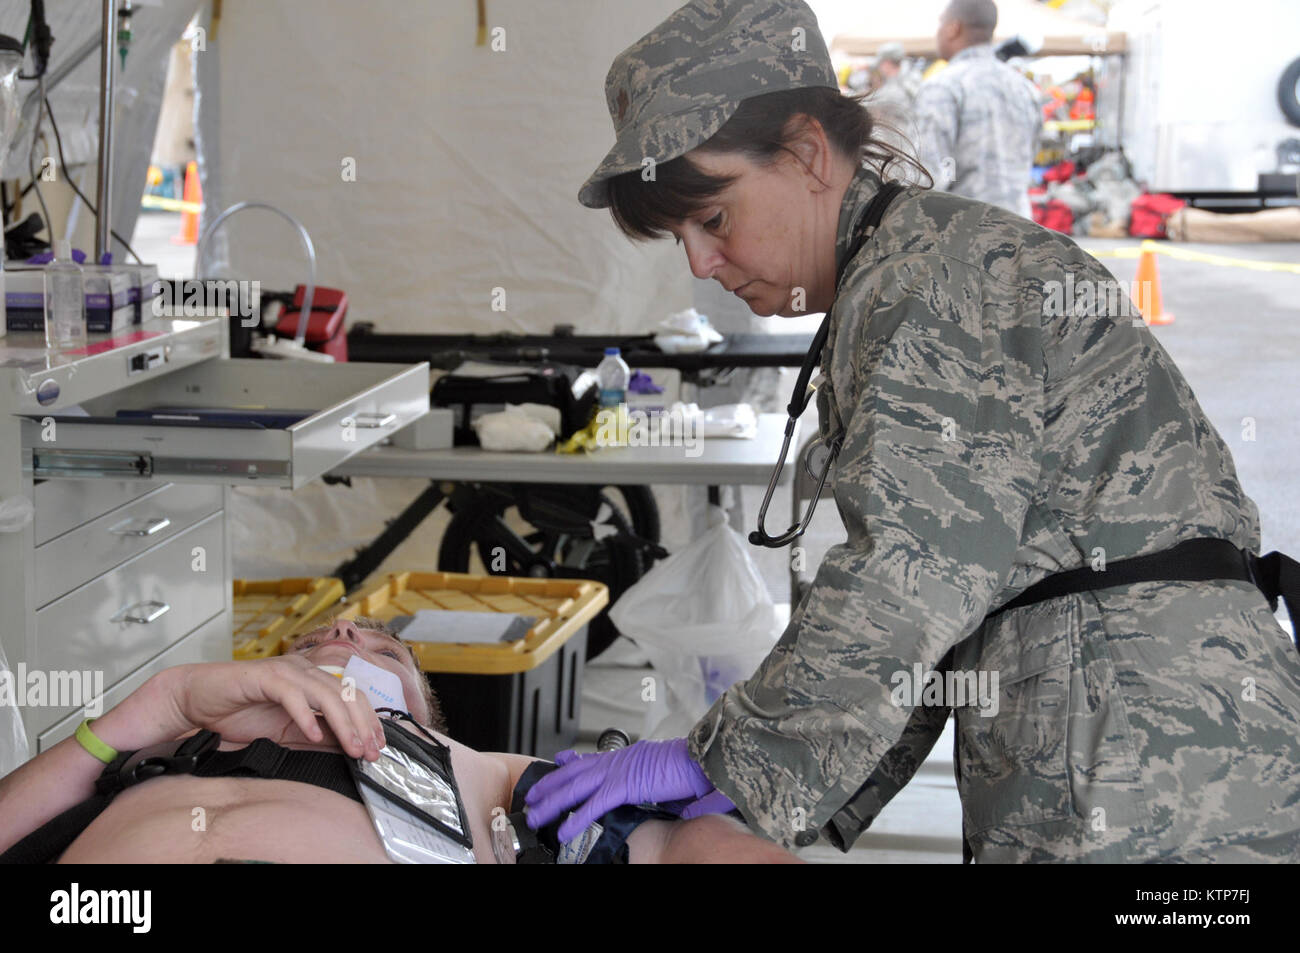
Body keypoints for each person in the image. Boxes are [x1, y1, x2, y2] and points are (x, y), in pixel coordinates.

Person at [523, 0, 1300, 863]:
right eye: (681, 237)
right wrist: (760, 794)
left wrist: (728, 756)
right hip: (1152, 742)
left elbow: (906, 585)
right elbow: (933, 619)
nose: (701, 262)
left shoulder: (927, 284)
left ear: (810, 154)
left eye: (712, 218)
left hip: (1144, 762)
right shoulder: (908, 269)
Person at [0, 618, 800, 864]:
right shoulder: (165, 747)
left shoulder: (477, 778)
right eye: (317, 636)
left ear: (422, 713)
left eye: (382, 645)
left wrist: (712, 781)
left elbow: (677, 852)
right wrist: (153, 706)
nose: (344, 630)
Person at [910, 0, 1042, 217]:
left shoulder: (943, 86)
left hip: (963, 233)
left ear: (954, 28)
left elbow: (929, 175)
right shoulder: (1025, 88)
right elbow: (1031, 153)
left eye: (940, 24)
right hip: (1020, 230)